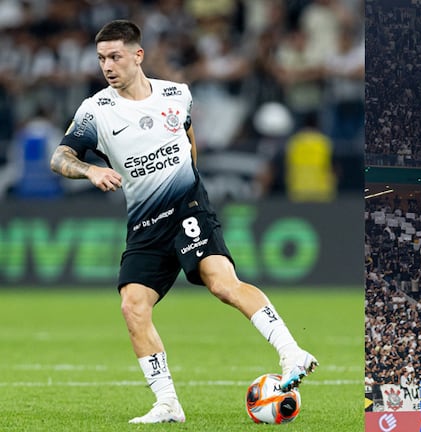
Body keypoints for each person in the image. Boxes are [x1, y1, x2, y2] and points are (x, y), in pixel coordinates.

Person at [49, 20, 318, 424]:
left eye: (115, 56)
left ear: (138, 55)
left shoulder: (177, 95)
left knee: (223, 284)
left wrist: (187, 186)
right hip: (144, 223)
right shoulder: (96, 110)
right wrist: (89, 171)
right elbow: (59, 158)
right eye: (102, 58)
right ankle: (168, 404)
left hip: (188, 209)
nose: (107, 65)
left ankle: (291, 352)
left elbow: (190, 140)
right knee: (132, 306)